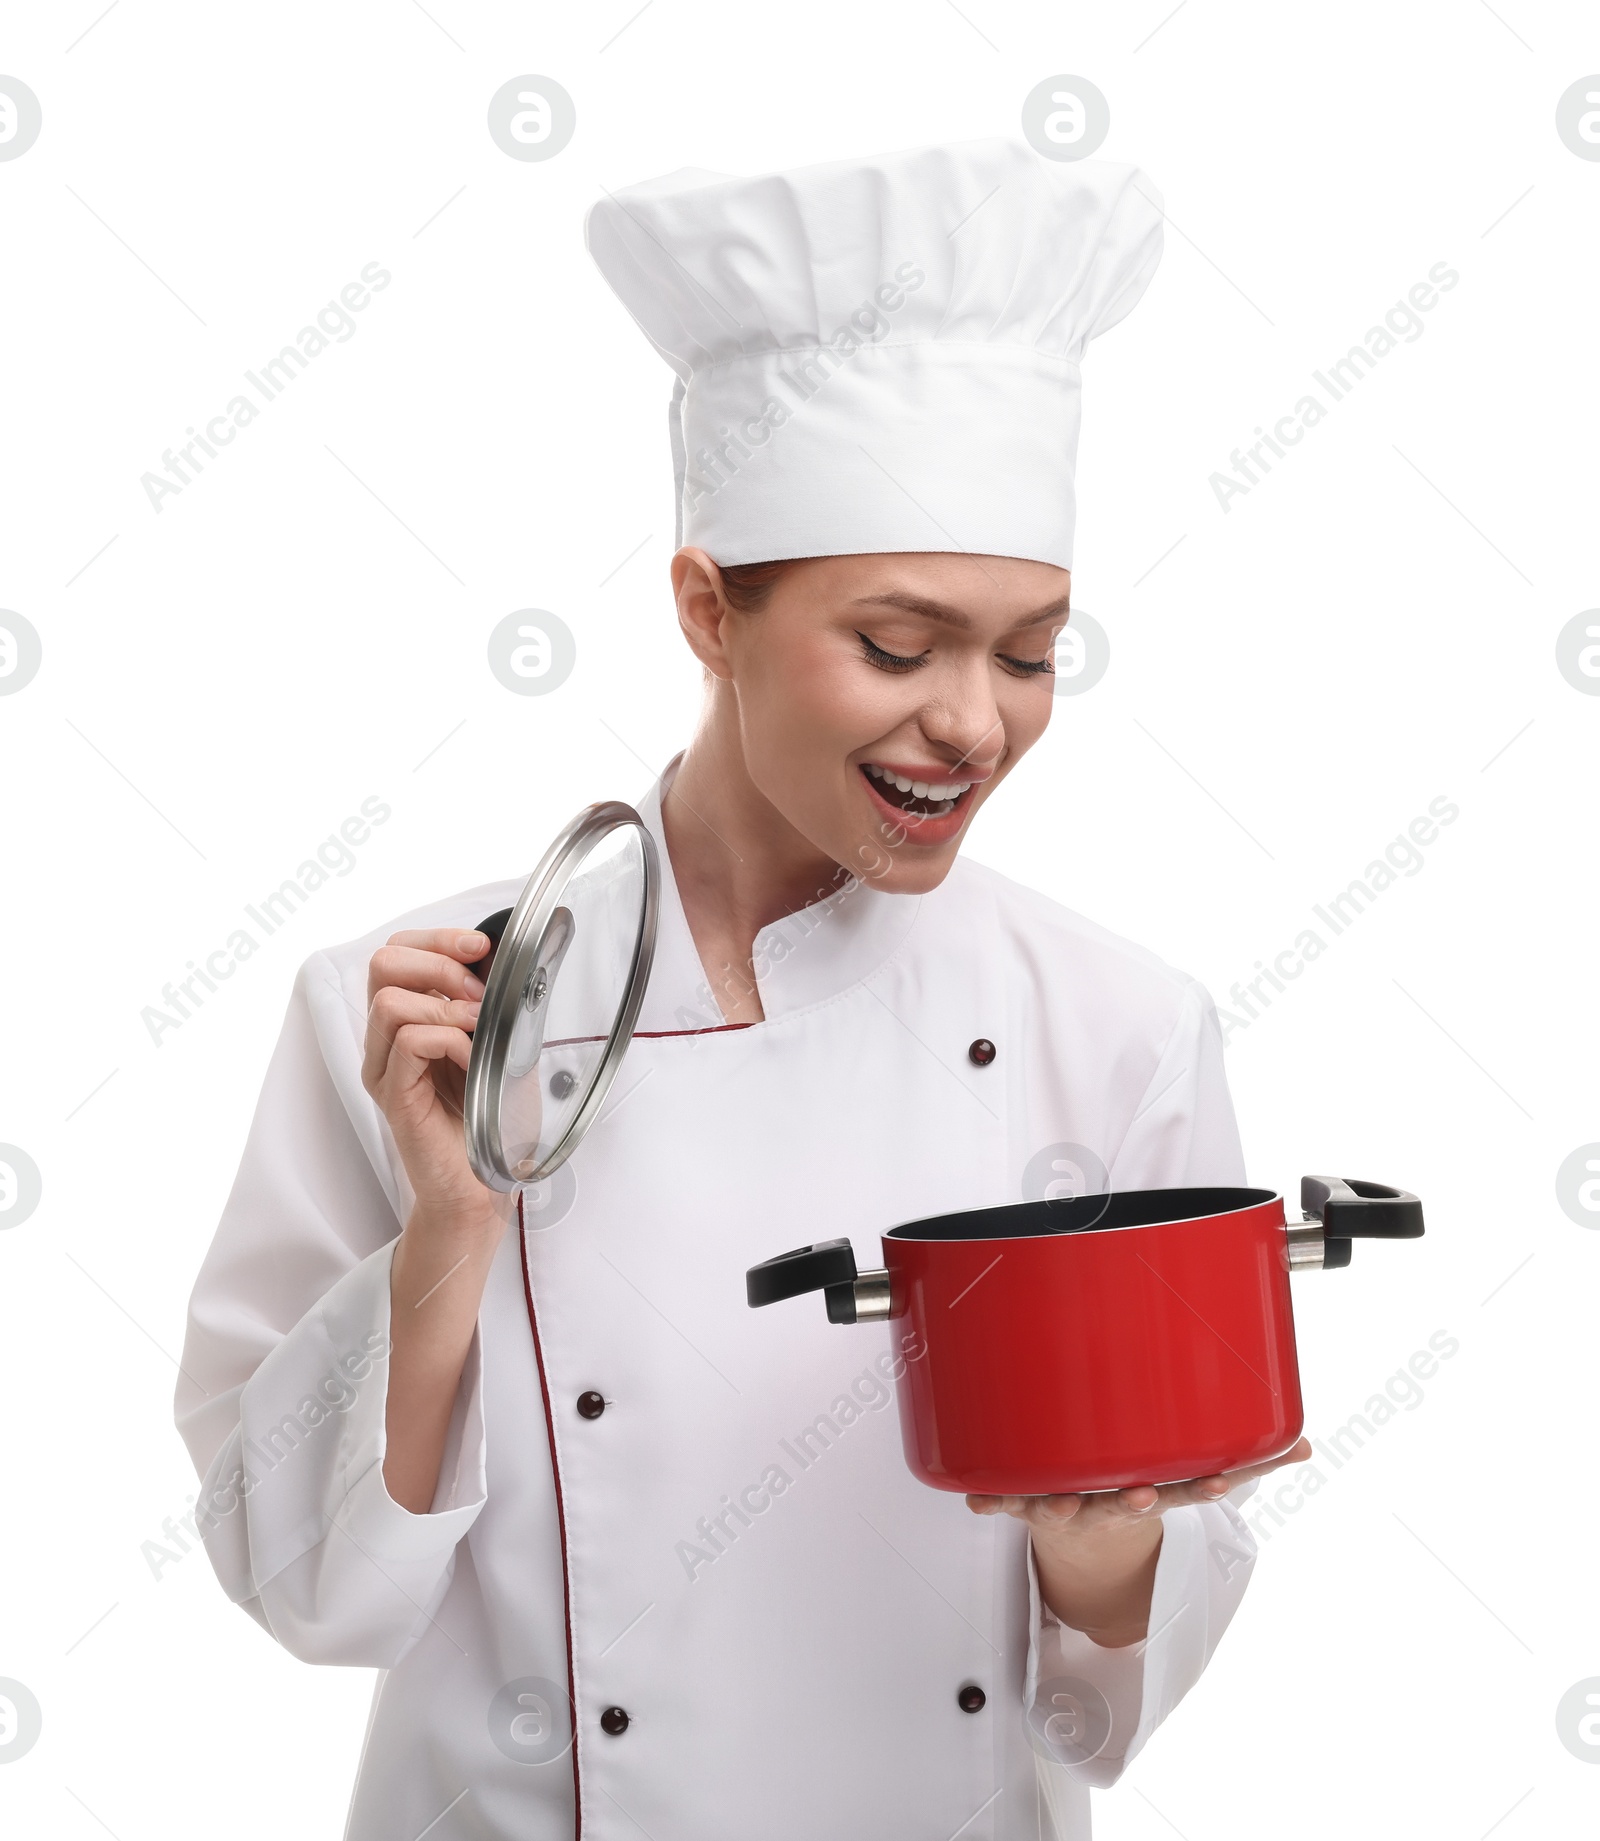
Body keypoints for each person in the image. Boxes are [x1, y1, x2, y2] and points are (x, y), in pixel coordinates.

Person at [176, 138, 1309, 1841]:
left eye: (1027, 650)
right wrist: (448, 1236)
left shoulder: (1116, 1023)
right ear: (708, 608)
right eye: (898, 644)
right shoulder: (429, 1014)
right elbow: (302, 1587)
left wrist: (1108, 1536)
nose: (974, 725)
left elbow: (1109, 1684)